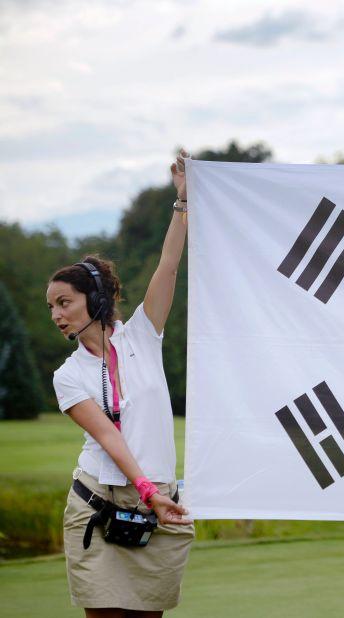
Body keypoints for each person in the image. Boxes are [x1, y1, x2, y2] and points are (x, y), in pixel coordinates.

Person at [48, 150, 195, 617]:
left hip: (157, 499)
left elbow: (167, 266)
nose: (56, 315)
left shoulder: (144, 335)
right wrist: (146, 491)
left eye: (64, 302)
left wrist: (183, 203)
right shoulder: (68, 376)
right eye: (51, 307)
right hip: (99, 502)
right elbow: (108, 434)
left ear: (94, 297)